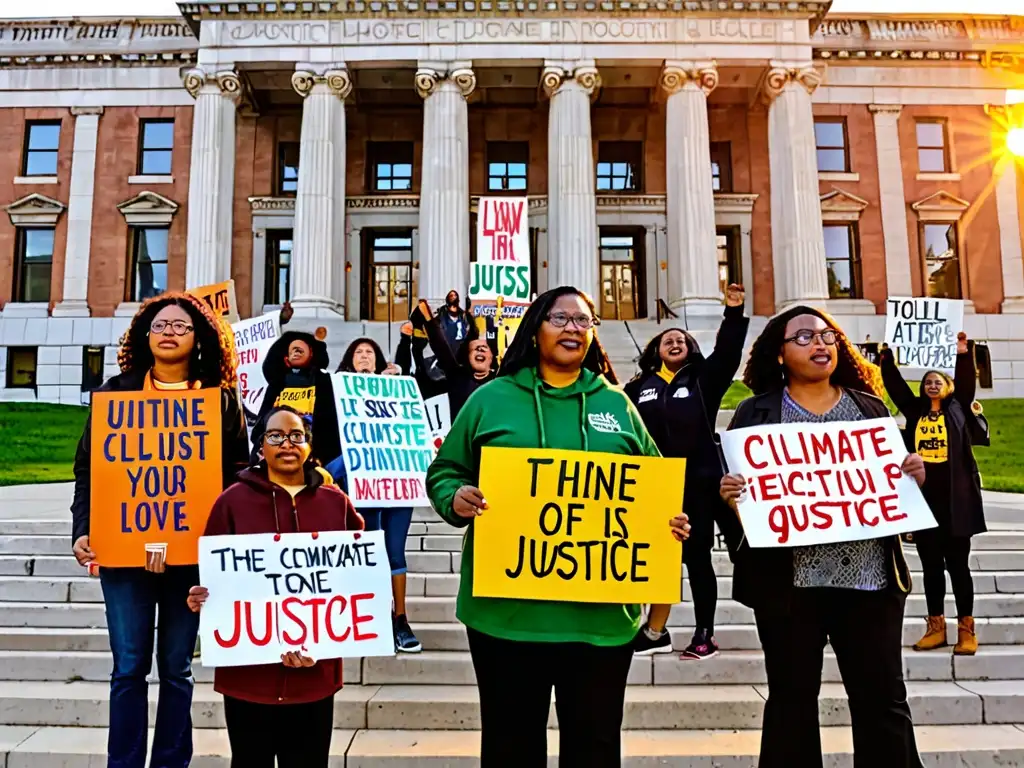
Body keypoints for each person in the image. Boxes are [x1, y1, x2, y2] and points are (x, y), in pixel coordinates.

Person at [425, 286, 691, 767]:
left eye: (583, 321)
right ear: (535, 328)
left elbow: (655, 489)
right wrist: (455, 497)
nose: (573, 328)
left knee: (595, 750)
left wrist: (668, 520)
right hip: (505, 619)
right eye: (560, 318)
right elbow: (445, 472)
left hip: (601, 623)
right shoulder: (491, 399)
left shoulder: (617, 405)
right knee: (510, 748)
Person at [719, 306, 926, 768]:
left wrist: (911, 477)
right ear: (779, 353)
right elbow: (737, 502)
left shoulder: (868, 407)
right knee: (791, 703)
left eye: (828, 335)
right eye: (806, 336)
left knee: (883, 702)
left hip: (871, 585)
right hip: (789, 588)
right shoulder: (756, 413)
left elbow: (895, 496)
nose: (820, 343)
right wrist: (731, 497)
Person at [70, 293, 250, 768]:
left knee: (177, 669)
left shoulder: (220, 401)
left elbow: (238, 478)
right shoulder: (115, 392)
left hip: (192, 557)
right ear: (145, 337)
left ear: (200, 339)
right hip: (124, 554)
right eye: (160, 325)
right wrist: (84, 529)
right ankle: (123, 763)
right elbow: (88, 470)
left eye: (181, 325)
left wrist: (226, 546)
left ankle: (172, 762)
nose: (169, 331)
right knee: (128, 668)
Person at [187, 406, 363, 768]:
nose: (287, 443)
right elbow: (210, 574)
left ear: (309, 447)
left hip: (314, 675)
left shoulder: (337, 503)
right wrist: (201, 595)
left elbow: (358, 576)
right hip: (248, 679)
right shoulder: (231, 502)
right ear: (260, 447)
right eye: (275, 436)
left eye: (296, 436)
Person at [623, 283, 749, 659]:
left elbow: (727, 354)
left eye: (682, 339)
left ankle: (704, 633)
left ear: (691, 349)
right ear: (655, 350)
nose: (675, 342)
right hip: (654, 486)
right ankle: (654, 631)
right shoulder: (638, 387)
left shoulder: (702, 380)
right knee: (655, 558)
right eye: (667, 339)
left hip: (699, 482)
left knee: (696, 559)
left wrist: (733, 312)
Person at [880, 332, 988, 656]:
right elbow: (896, 388)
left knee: (959, 567)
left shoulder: (958, 409)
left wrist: (962, 353)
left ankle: (966, 630)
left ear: (948, 386)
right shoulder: (914, 411)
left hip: (958, 501)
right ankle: (935, 627)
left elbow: (967, 383)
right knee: (930, 567)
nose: (931, 384)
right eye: (927, 381)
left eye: (937, 380)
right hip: (925, 500)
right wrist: (887, 359)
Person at [329, 337, 420, 652]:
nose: (364, 356)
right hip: (359, 485)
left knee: (395, 551)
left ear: (379, 359)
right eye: (358, 352)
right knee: (368, 551)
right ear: (349, 361)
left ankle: (400, 618)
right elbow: (328, 438)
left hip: (396, 482)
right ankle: (373, 617)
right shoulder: (336, 390)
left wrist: (396, 389)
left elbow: (414, 431)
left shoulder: (397, 388)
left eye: (370, 352)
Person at [253, 330, 339, 466]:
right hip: (276, 455)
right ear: (286, 358)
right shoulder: (277, 386)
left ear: (312, 353)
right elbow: (260, 426)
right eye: (292, 349)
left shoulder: (325, 383)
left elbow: (331, 426)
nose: (296, 351)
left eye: (300, 348)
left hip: (316, 458)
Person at [418, 299, 497, 419]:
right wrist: (429, 320)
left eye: (484, 348)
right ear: (468, 357)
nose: (479, 350)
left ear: (491, 357)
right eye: (475, 349)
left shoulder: (501, 381)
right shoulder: (458, 377)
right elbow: (442, 349)